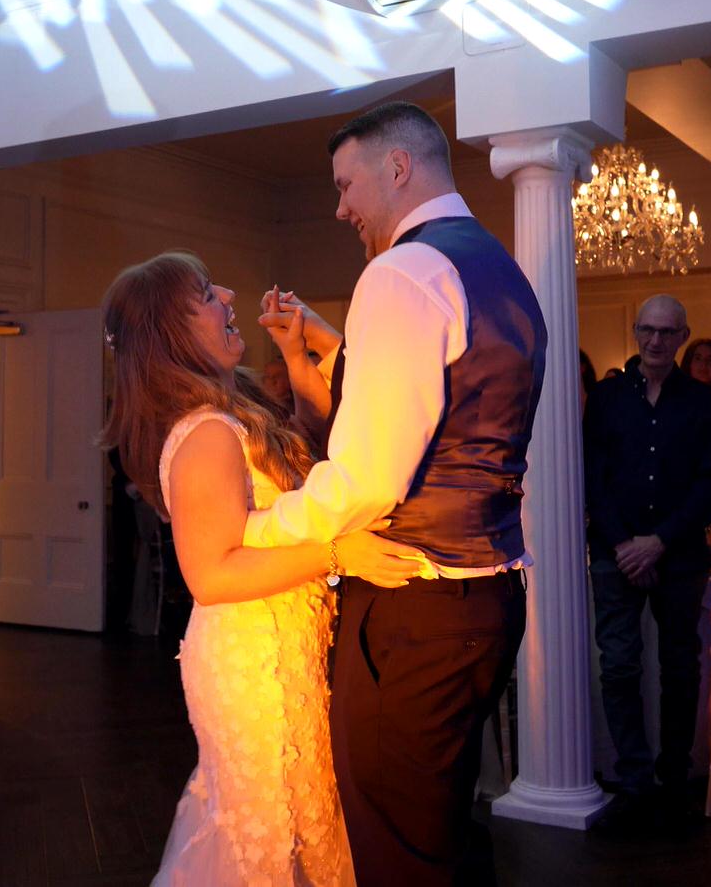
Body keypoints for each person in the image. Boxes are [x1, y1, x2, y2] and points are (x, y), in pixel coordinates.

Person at [242, 101, 541, 885]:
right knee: (442, 828)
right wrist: (330, 338)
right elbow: (442, 389)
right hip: (488, 597)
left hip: (415, 607)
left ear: (397, 167)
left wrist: (261, 524)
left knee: (396, 848)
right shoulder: (495, 267)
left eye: (346, 184)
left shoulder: (400, 271)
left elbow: (369, 480)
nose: (340, 207)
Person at [101, 251, 418, 886]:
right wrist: (335, 556)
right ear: (173, 334)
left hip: (288, 650)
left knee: (308, 820)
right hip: (254, 665)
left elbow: (310, 454)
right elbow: (212, 575)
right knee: (273, 829)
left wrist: (297, 357)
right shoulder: (204, 434)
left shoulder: (236, 402)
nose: (226, 292)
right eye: (205, 293)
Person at [586, 298, 711, 805]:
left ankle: (674, 772)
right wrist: (627, 543)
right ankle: (633, 775)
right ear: (634, 331)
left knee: (679, 666)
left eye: (667, 333)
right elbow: (591, 478)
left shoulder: (701, 401)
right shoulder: (605, 399)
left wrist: (659, 540)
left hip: (679, 553)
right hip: (615, 551)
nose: (655, 341)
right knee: (619, 664)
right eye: (647, 330)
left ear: (683, 336)